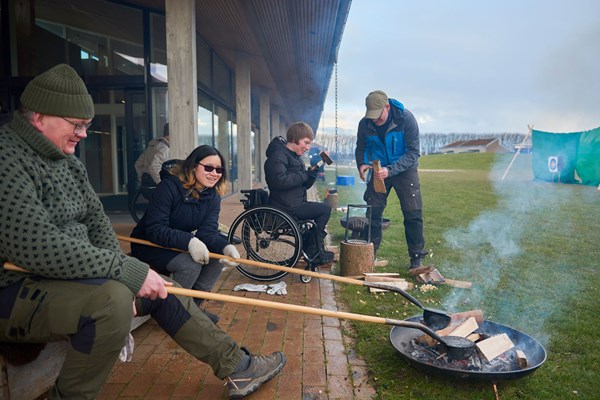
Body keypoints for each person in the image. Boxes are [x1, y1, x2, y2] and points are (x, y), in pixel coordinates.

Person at [0, 64, 285, 399]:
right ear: (39, 117)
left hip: (67, 279)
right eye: (77, 125)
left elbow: (97, 223)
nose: (84, 134)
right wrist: (124, 271)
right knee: (115, 300)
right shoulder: (7, 158)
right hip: (17, 289)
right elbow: (35, 245)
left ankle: (238, 365)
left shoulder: (69, 163)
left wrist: (129, 273)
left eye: (87, 126)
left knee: (162, 287)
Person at [131, 144, 239, 323]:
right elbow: (155, 228)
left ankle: (192, 309)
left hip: (176, 243)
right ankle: (172, 314)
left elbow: (208, 232)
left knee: (216, 257)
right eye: (209, 167)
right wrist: (190, 241)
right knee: (190, 264)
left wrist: (225, 246)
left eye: (219, 169)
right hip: (149, 243)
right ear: (194, 166)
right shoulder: (169, 187)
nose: (215, 173)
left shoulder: (212, 196)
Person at [355, 90, 428, 269]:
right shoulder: (365, 124)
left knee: (413, 213)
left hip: (404, 170)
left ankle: (416, 257)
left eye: (378, 116)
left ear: (387, 107)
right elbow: (361, 147)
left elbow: (413, 153)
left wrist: (391, 170)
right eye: (371, 116)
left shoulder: (406, 119)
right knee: (373, 212)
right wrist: (362, 163)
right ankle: (369, 254)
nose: (374, 120)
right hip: (378, 169)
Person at [264, 122, 333, 265]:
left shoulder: (294, 157)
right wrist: (304, 175)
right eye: (306, 142)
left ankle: (312, 248)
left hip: (295, 202)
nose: (308, 147)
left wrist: (312, 175)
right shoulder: (277, 156)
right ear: (295, 139)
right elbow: (279, 181)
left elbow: (304, 185)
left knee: (322, 209)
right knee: (324, 210)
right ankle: (313, 251)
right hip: (286, 206)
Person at [135, 122, 170, 187]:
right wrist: (162, 184)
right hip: (158, 188)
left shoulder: (152, 146)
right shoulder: (164, 148)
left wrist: (142, 178)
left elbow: (138, 164)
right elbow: (154, 167)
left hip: (147, 186)